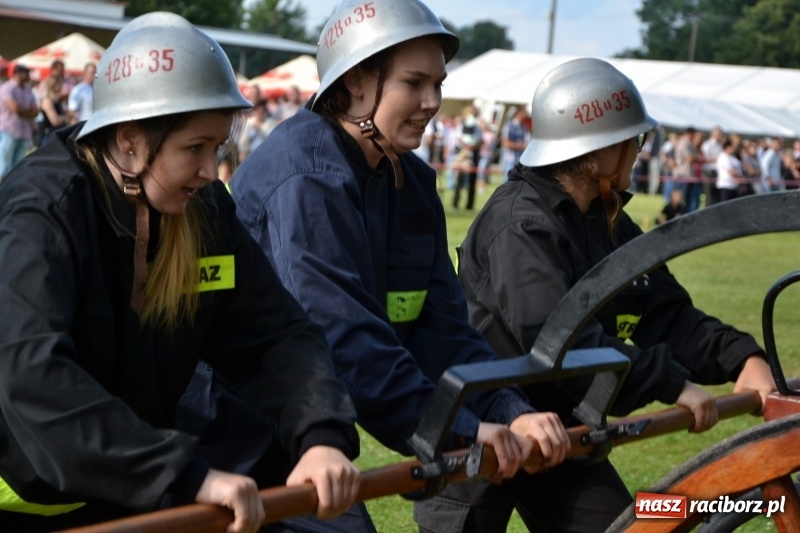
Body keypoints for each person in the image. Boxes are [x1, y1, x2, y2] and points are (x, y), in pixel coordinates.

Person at [0, 13, 362, 533]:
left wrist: (320, 434)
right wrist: (180, 472)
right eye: (195, 148)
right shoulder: (43, 213)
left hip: (130, 491)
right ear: (129, 139)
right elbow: (35, 377)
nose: (211, 171)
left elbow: (274, 333)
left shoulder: (202, 209)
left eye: (218, 148)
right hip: (24, 498)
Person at [231, 1, 571, 531]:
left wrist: (508, 409)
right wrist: (457, 430)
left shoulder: (411, 181)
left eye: (438, 84)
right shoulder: (304, 178)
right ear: (356, 81)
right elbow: (342, 337)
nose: (432, 101)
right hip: (229, 434)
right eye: (414, 83)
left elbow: (445, 331)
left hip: (307, 429)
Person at [457, 58, 776, 533]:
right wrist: (670, 383)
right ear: (599, 150)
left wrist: (740, 357)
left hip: (563, 433)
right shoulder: (520, 224)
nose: (639, 152)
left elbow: (664, 313)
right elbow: (558, 342)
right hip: (484, 430)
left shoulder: (607, 220)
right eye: (634, 140)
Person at [0, 64, 37, 180]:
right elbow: (14, 108)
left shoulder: (28, 90)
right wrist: (27, 111)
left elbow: (36, 111)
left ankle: (10, 189)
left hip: (23, 133)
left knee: (17, 169)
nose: (28, 76)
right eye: (26, 73)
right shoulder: (7, 88)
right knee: (4, 167)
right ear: (18, 73)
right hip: (8, 131)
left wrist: (22, 110)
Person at [34, 75, 69, 147]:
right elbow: (55, 121)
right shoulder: (47, 101)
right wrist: (66, 119)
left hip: (55, 134)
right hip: (47, 136)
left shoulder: (57, 101)